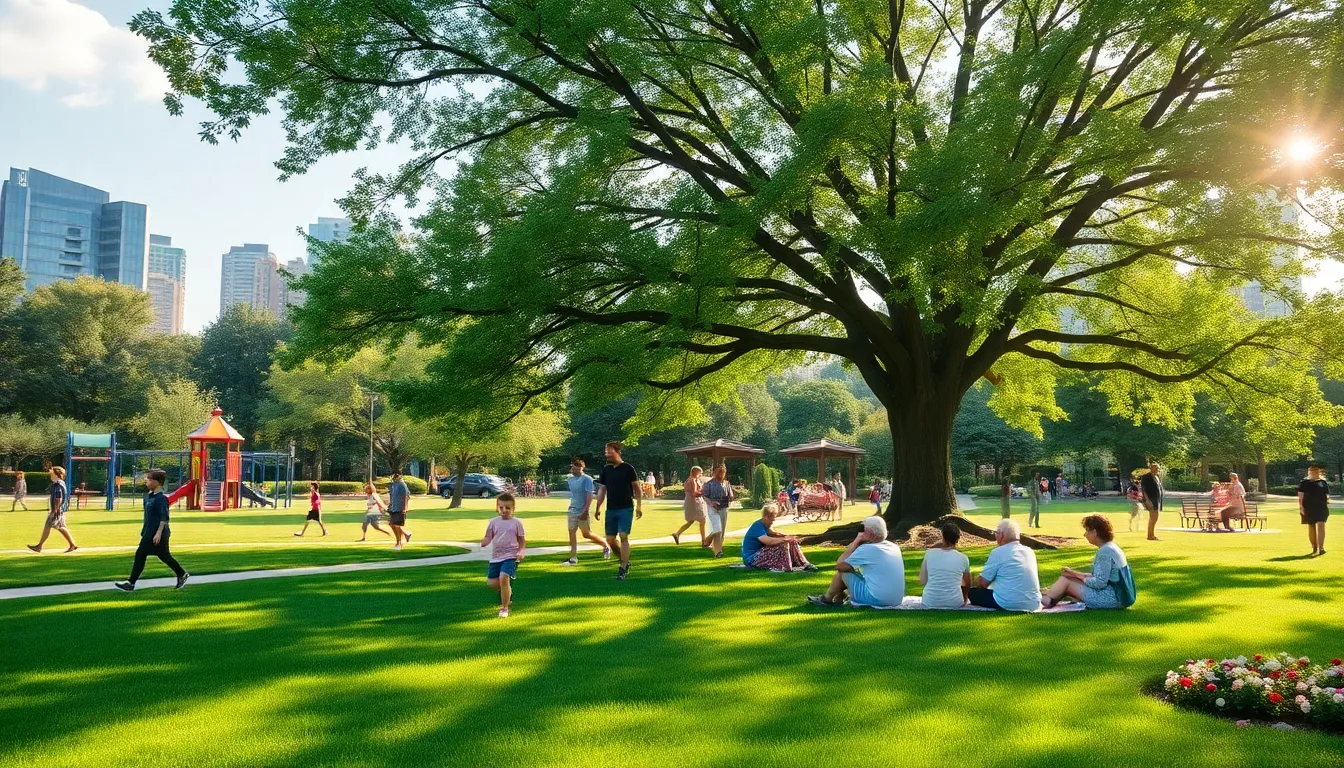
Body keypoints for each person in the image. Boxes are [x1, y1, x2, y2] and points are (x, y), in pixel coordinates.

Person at [807, 516, 904, 608]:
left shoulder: (866, 549)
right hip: (896, 600)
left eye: (862, 529)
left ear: (868, 533)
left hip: (877, 600)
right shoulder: (894, 547)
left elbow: (840, 565)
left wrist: (855, 543)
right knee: (850, 570)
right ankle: (839, 596)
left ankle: (827, 599)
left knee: (843, 571)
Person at [114, 469, 188, 591]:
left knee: (140, 554)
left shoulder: (161, 498)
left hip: (158, 533)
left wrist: (158, 533)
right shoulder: (149, 497)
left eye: (149, 479)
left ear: (157, 482)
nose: (146, 481)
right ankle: (181, 574)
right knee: (164, 556)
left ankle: (131, 583)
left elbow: (164, 517)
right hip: (149, 532)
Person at [1041, 515, 1129, 609]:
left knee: (1066, 580)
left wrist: (1078, 576)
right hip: (1117, 597)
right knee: (1069, 578)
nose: (1085, 534)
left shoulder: (1105, 551)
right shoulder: (1111, 547)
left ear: (1094, 532)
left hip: (1111, 599)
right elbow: (1103, 577)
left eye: (1087, 530)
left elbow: (1099, 583)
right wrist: (1075, 574)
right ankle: (1050, 594)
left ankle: (1047, 598)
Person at [968, 519, 1042, 612]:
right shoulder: (1029, 551)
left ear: (1001, 535)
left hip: (1008, 602)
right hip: (1033, 603)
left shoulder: (998, 552)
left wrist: (972, 583)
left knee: (972, 593)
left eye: (996, 532)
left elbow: (982, 583)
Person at [593, 441, 642, 580]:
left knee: (623, 535)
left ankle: (622, 567)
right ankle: (625, 560)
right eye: (606, 452)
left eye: (609, 451)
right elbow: (602, 490)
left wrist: (639, 506)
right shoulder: (606, 470)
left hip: (626, 507)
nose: (607, 454)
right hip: (611, 509)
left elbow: (637, 489)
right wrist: (597, 507)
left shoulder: (628, 468)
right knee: (610, 539)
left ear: (618, 451)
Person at [481, 492, 525, 618]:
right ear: (497, 508)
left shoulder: (517, 523)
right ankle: (507, 592)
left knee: (503, 577)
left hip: (511, 556)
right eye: (501, 507)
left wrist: (521, 551)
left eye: (508, 508)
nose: (504, 510)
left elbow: (522, 540)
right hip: (496, 557)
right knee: (492, 583)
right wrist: (485, 541)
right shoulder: (493, 522)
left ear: (513, 509)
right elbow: (488, 536)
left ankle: (504, 608)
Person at [561, 458, 609, 565]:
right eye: (571, 467)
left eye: (573, 467)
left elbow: (589, 495)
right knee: (571, 532)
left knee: (586, 534)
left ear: (580, 467)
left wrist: (585, 510)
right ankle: (573, 558)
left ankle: (605, 545)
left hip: (582, 510)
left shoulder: (587, 479)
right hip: (572, 510)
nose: (571, 469)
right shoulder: (570, 480)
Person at [742, 503, 815, 571]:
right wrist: (784, 539)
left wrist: (789, 538)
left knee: (791, 542)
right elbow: (769, 541)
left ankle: (804, 563)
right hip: (751, 559)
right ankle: (788, 565)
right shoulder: (757, 526)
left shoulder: (765, 525)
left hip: (758, 555)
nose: (773, 520)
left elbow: (774, 534)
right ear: (767, 517)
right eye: (772, 518)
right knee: (783, 545)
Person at [919, 522, 971, 609]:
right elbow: (967, 584)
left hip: (930, 601)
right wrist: (964, 600)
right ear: (958, 539)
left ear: (942, 537)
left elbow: (923, 580)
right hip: (955, 602)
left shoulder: (929, 554)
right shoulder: (963, 558)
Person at [26, 466, 78, 554]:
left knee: (50, 526)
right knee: (60, 527)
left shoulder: (57, 484)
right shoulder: (61, 483)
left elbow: (58, 497)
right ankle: (72, 545)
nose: (50, 473)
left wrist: (55, 510)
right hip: (59, 510)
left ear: (56, 474)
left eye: (52, 472)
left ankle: (39, 546)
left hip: (57, 510)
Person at [701, 464, 735, 559]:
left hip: (724, 508)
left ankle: (718, 551)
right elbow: (704, 496)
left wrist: (731, 498)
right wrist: (711, 503)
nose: (720, 474)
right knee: (717, 529)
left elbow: (730, 496)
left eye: (722, 472)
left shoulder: (727, 483)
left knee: (722, 531)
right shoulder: (709, 484)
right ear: (714, 472)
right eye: (719, 471)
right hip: (713, 508)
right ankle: (709, 540)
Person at [1298, 464, 1330, 556]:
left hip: (1321, 507)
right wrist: (1301, 507)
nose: (1314, 473)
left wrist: (1327, 501)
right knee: (1311, 527)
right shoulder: (1304, 483)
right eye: (1312, 471)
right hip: (1308, 507)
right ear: (1309, 472)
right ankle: (1314, 547)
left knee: (1321, 525)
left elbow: (1327, 494)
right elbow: (1300, 496)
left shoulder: (1323, 482)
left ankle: (1321, 548)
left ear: (1319, 472)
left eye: (1316, 471)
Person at [672, 465, 708, 547]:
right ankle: (704, 541)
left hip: (690, 502)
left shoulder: (688, 480)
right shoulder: (693, 480)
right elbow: (694, 493)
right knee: (703, 521)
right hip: (695, 502)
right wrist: (704, 492)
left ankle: (677, 533)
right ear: (695, 472)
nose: (700, 475)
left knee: (691, 521)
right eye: (700, 473)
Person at [387, 471, 414, 550]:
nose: (395, 476)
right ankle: (406, 534)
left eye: (397, 475)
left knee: (397, 525)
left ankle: (399, 543)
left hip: (399, 507)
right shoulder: (394, 485)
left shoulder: (402, 484)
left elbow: (405, 496)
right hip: (393, 507)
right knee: (392, 524)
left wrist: (405, 507)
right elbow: (393, 496)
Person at [1141, 462, 1164, 541]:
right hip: (1151, 499)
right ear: (1151, 468)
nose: (1157, 469)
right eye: (1155, 468)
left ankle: (1151, 535)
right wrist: (1146, 500)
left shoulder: (1156, 477)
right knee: (1153, 517)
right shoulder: (1146, 476)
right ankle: (1150, 536)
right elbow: (1143, 489)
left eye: (1157, 468)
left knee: (1155, 517)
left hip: (1157, 498)